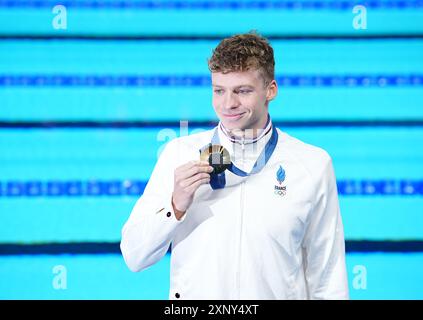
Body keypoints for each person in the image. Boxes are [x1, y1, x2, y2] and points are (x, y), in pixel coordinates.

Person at [120, 31, 349, 300]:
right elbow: (134, 256)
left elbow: (328, 275)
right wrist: (175, 206)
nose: (228, 104)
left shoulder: (312, 164)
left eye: (242, 91)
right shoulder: (179, 155)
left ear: (270, 90)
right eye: (219, 90)